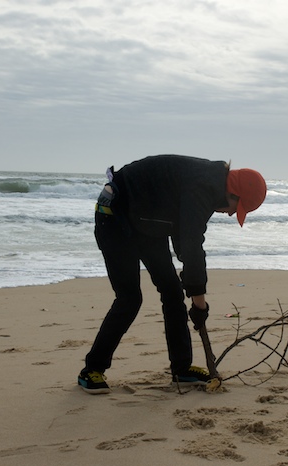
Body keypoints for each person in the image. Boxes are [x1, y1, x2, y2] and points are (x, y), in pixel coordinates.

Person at [78, 154, 267, 394]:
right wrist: (200, 305)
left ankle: (182, 370)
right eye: (236, 208)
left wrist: (192, 288)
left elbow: (183, 239)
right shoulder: (203, 187)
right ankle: (91, 370)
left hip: (146, 222)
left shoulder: (208, 187)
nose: (231, 214)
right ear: (232, 193)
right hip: (114, 216)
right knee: (129, 298)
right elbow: (191, 248)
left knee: (172, 291)